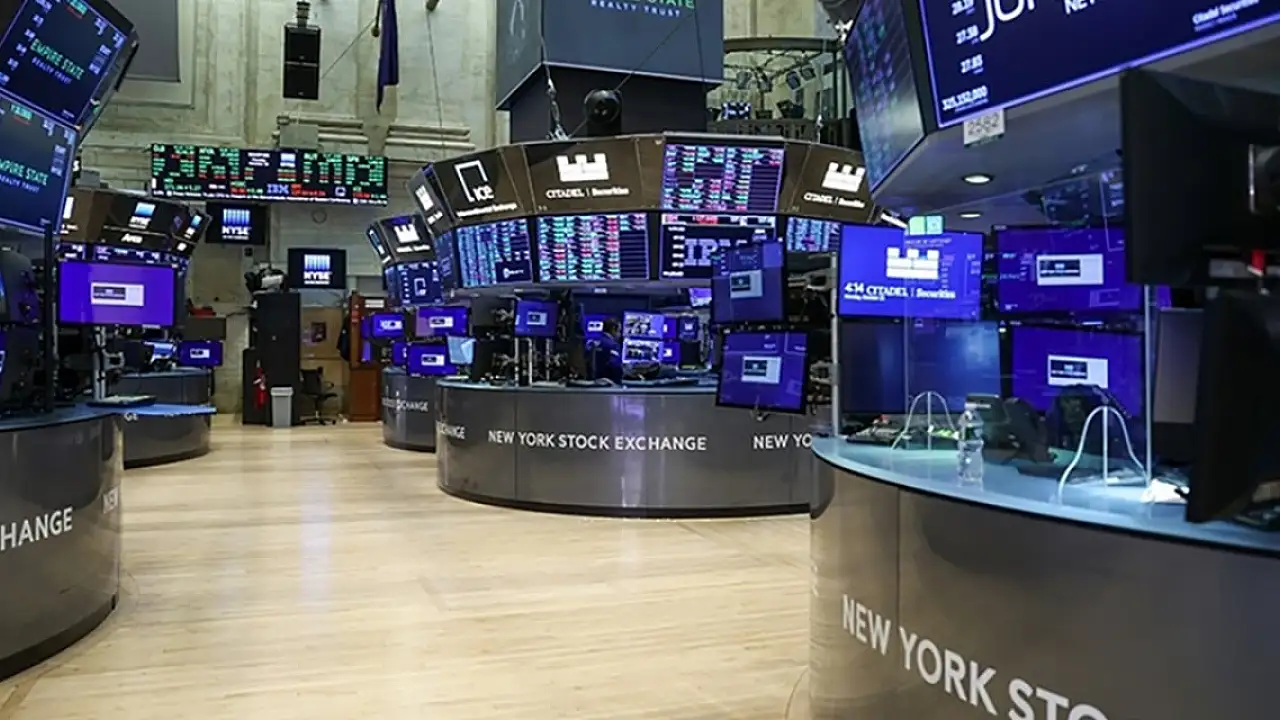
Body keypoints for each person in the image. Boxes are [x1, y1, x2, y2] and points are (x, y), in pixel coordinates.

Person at [590, 317, 623, 383]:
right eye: (619, 331)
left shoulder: (596, 343)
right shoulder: (613, 345)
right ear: (613, 329)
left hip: (596, 382)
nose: (620, 334)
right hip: (610, 383)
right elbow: (616, 366)